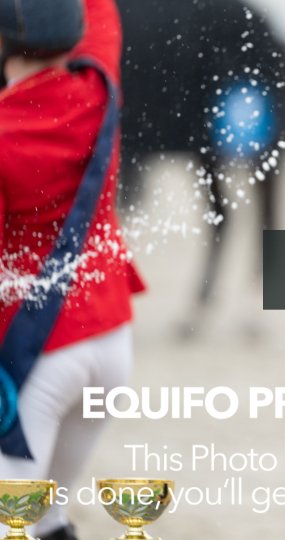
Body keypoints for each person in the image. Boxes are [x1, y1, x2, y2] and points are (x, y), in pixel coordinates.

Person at [0, 0, 144, 538]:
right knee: (47, 517)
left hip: (39, 357)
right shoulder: (98, 89)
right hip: (111, 341)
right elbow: (99, 15)